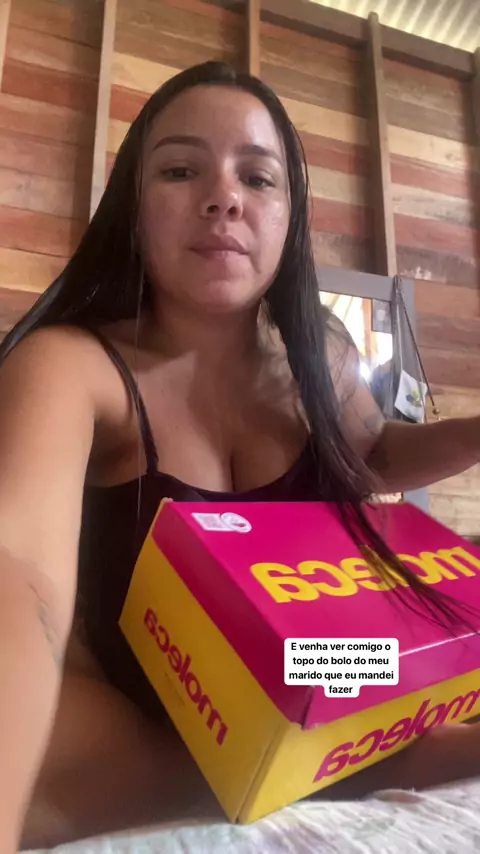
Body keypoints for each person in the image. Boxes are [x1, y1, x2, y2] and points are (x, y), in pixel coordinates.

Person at [1, 61, 480, 852]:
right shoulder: (70, 365)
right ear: (132, 208)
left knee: (377, 679)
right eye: (180, 170)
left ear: (290, 217)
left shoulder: (323, 357)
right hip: (128, 735)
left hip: (309, 691)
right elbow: (21, 575)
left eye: (258, 178)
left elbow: (377, 454)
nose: (224, 197)